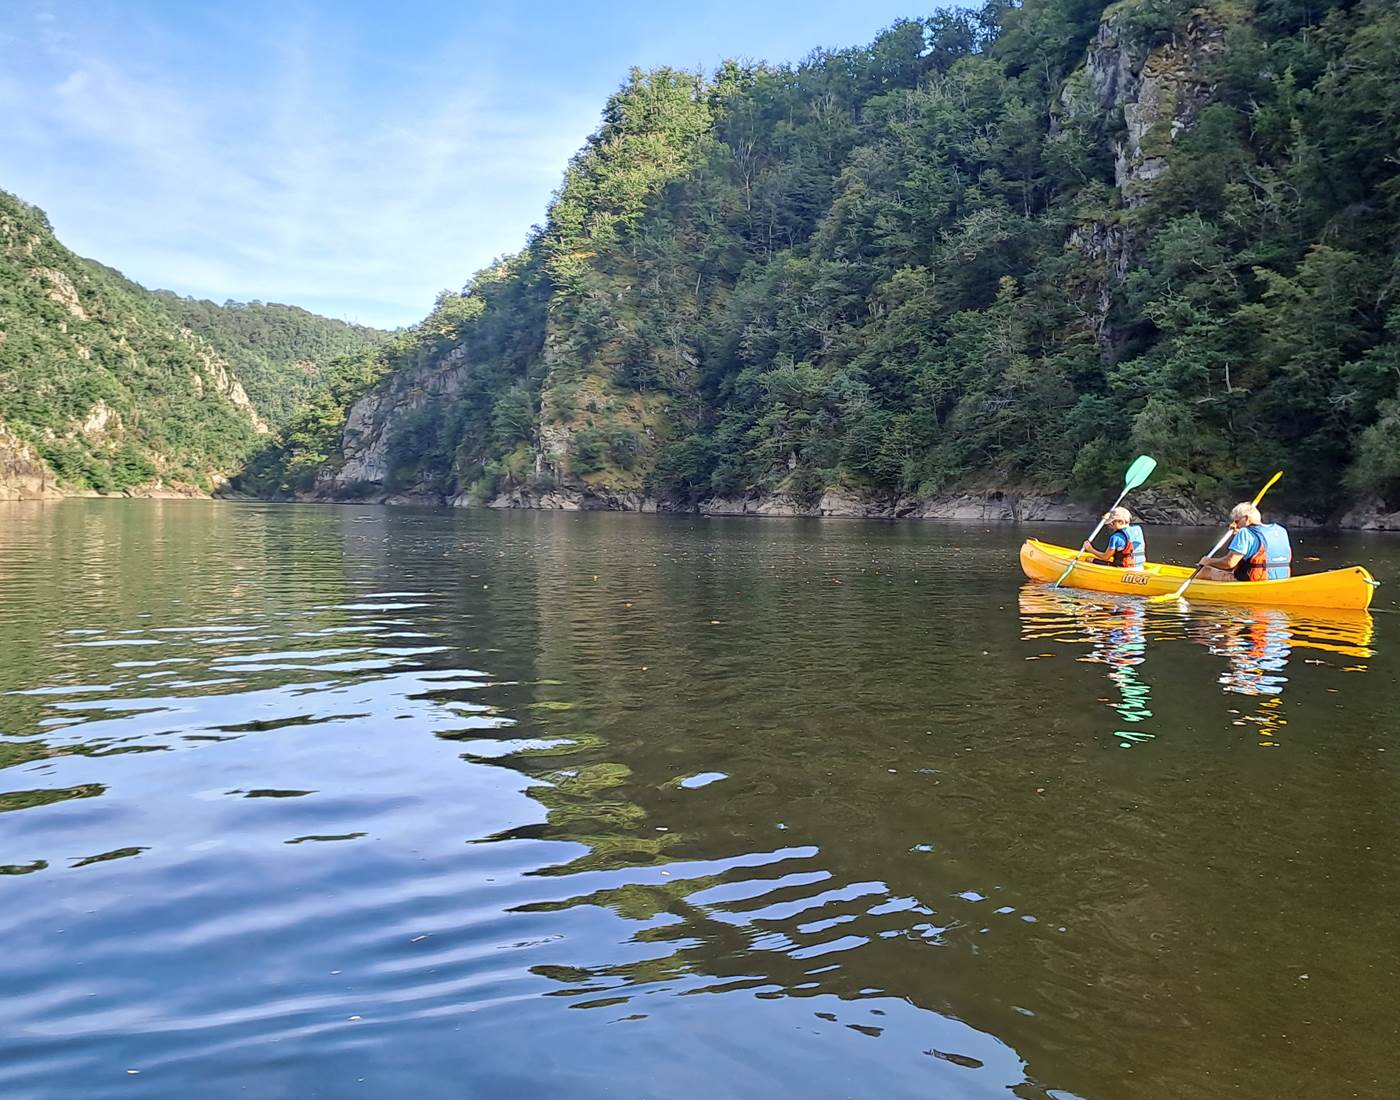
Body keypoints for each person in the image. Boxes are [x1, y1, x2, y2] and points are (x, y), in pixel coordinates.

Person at [1196, 502, 1292, 582]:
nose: (1235, 525)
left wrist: (1208, 561)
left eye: (1237, 521)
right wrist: (1238, 533)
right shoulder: (1280, 530)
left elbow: (1229, 563)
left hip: (1254, 580)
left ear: (1246, 518)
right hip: (1281, 578)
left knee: (1206, 571)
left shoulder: (1245, 533)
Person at [1081, 506, 1145, 568]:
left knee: (1089, 559)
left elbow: (1105, 557)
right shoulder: (1138, 529)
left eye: (1112, 522)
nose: (1110, 524)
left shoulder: (1115, 537)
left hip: (1123, 568)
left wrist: (1090, 549)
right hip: (1139, 566)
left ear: (1121, 521)